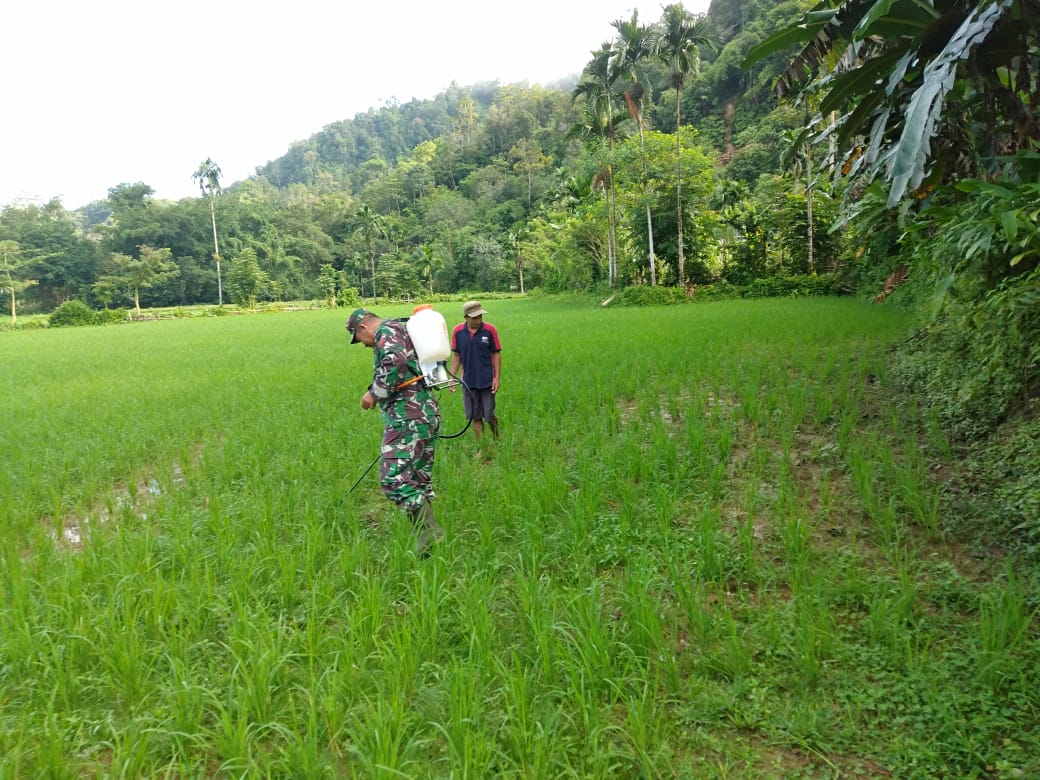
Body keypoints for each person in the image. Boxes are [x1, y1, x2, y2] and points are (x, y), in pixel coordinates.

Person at [346, 307, 444, 554]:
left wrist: (374, 393)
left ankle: (430, 533)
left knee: (393, 479)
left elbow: (396, 361)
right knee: (417, 480)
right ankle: (428, 545)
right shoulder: (401, 329)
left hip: (407, 416)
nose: (364, 345)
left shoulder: (385, 332)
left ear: (363, 328)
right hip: (425, 413)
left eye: (359, 339)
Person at [450, 300, 502, 452]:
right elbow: (456, 356)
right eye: (474, 318)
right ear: (466, 317)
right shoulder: (458, 332)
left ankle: (497, 438)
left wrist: (497, 377)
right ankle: (483, 448)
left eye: (480, 316)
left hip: (487, 380)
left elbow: (496, 354)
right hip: (468, 381)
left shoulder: (490, 330)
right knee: (475, 416)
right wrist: (452, 377)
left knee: (489, 414)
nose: (478, 320)